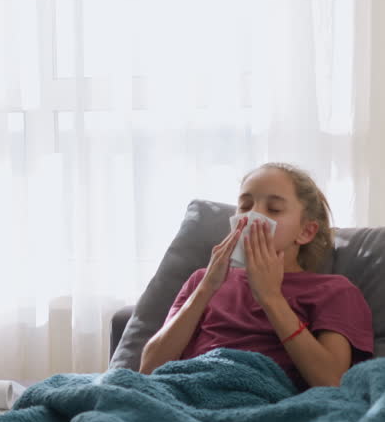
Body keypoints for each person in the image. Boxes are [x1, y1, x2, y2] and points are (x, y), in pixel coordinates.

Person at [139, 163, 373, 389]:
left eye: (274, 209)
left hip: (266, 399)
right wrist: (206, 288)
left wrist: (271, 298)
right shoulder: (203, 280)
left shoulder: (334, 290)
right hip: (192, 389)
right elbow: (148, 370)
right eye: (245, 206)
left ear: (305, 231)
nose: (252, 216)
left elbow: (332, 382)